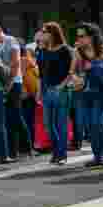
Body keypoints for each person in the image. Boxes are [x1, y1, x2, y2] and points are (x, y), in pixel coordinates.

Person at [0, 23, 31, 160]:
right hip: (5, 83)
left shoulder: (11, 41)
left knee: (16, 115)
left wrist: (10, 83)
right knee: (9, 118)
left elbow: (16, 62)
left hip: (14, 82)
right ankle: (14, 149)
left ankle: (27, 148)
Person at [74, 23, 103, 169]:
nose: (80, 39)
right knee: (89, 125)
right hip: (84, 92)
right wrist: (76, 78)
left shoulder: (102, 50)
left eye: (82, 36)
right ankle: (97, 156)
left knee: (97, 122)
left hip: (101, 91)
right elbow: (72, 71)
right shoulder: (78, 52)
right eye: (78, 36)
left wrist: (95, 66)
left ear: (92, 36)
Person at [40, 22, 73, 166]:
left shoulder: (65, 50)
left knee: (61, 124)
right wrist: (39, 91)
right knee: (48, 124)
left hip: (61, 90)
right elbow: (42, 73)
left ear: (53, 33)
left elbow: (71, 71)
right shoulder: (44, 50)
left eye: (44, 32)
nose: (42, 34)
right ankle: (56, 152)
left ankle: (61, 154)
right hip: (47, 90)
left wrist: (62, 85)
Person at [22, 46, 40, 154]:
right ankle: (30, 146)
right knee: (29, 122)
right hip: (28, 96)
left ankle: (30, 145)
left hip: (28, 96)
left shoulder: (30, 65)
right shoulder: (27, 63)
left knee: (29, 121)